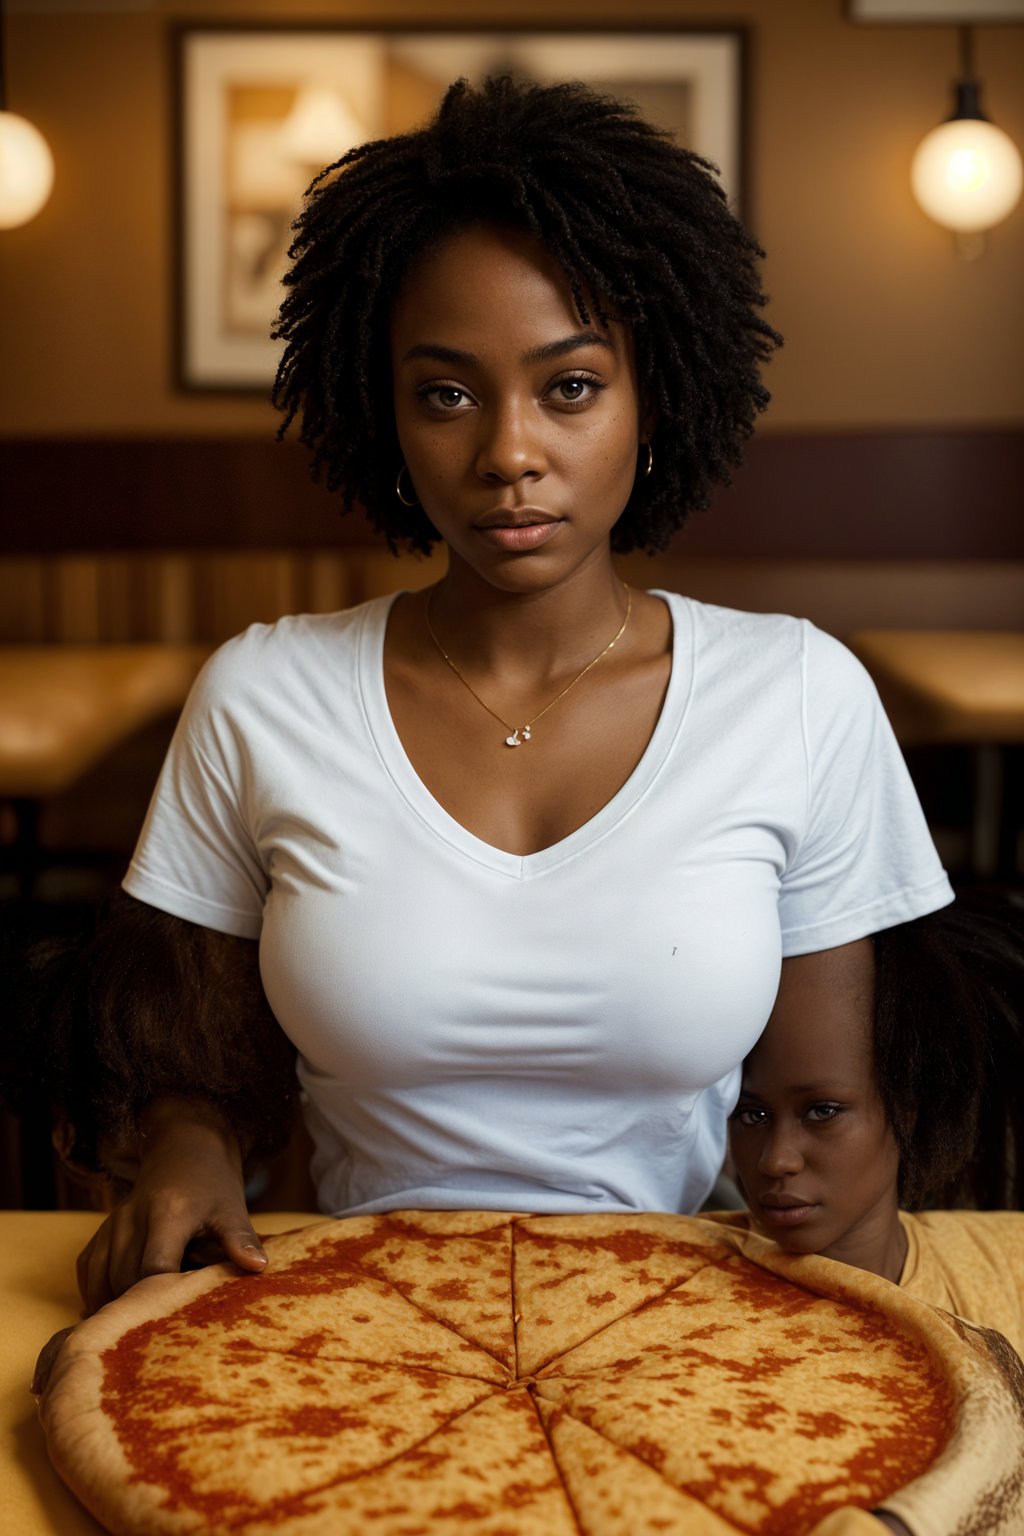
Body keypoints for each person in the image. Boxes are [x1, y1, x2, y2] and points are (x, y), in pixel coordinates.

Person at [45, 76, 952, 1315]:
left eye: (569, 386)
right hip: (339, 1323)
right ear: (385, 415)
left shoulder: (796, 693)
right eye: (447, 393)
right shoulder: (264, 693)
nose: (508, 452)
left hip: (687, 1333)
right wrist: (189, 1141)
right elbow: (186, 1066)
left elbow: (825, 1120)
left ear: (655, 396)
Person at [722, 893, 1024, 1356]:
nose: (776, 1159)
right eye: (751, 1114)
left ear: (907, 1106)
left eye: (823, 1111)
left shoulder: (1009, 1262)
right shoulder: (666, 1291)